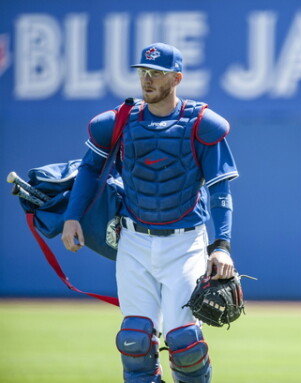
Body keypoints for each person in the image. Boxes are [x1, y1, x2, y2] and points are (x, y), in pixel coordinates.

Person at [61, 42, 239, 383]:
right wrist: (72, 216)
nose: (147, 79)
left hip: (186, 243)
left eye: (157, 73)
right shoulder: (119, 121)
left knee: (185, 342)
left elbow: (220, 187)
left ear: (176, 78)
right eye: (143, 72)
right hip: (134, 240)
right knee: (134, 341)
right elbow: (89, 170)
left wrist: (222, 245)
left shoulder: (202, 123)